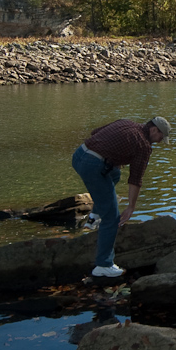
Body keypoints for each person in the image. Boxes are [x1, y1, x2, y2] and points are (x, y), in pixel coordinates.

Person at [72, 116, 170, 277]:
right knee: (112, 218)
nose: (160, 141)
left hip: (79, 155)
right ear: (154, 130)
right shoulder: (144, 145)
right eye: (161, 137)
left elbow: (95, 133)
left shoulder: (126, 122)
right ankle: (103, 265)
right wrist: (131, 207)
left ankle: (94, 216)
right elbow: (135, 179)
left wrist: (116, 156)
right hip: (92, 167)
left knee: (115, 173)